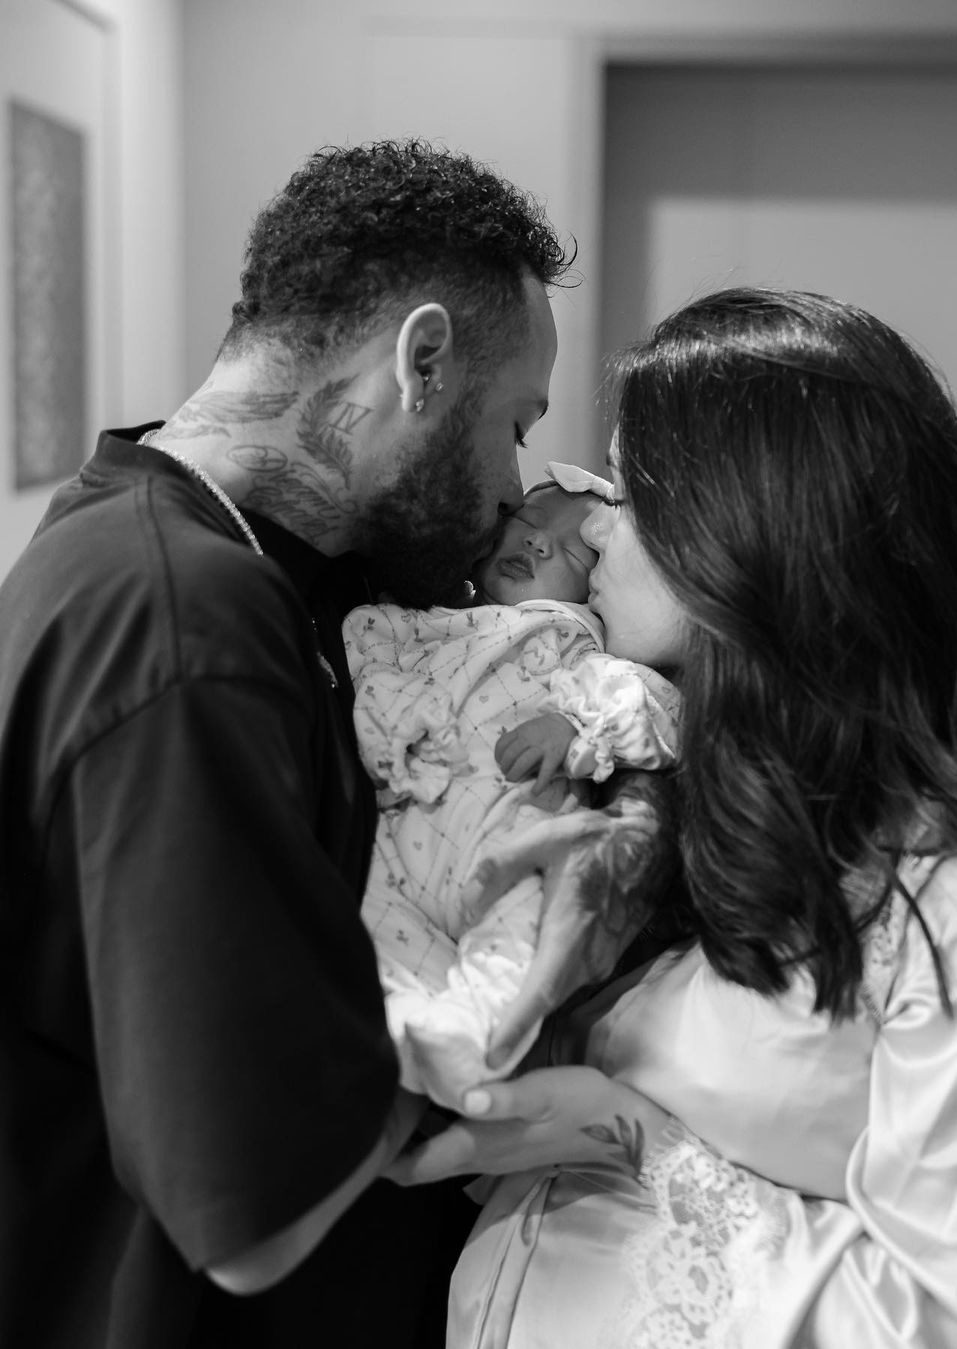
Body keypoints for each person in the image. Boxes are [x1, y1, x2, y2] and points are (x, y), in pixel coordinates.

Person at [387, 287, 957, 1349]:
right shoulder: (676, 783)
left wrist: (625, 1137)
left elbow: (944, 1324)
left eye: (627, 492)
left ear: (748, 532)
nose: (593, 525)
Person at [0, 137, 584, 1349]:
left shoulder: (292, 568)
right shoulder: (179, 621)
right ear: (423, 360)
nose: (511, 484)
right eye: (515, 424)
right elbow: (251, 1199)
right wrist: (531, 1049)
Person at [343, 464, 679, 1110]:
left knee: (513, 946)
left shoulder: (578, 642)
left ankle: (471, 1045)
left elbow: (655, 705)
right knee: (374, 939)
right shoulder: (433, 619)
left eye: (576, 551)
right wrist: (393, 710)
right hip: (405, 822)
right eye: (527, 520)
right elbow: (365, 635)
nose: (539, 542)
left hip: (513, 835)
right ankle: (388, 1054)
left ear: (596, 587)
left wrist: (577, 727)